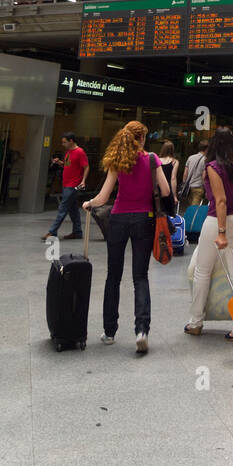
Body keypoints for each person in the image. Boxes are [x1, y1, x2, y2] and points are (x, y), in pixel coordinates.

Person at [83, 121, 169, 354]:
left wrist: (89, 203)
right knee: (140, 276)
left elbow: (103, 197)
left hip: (118, 219)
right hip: (145, 219)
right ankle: (141, 330)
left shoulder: (118, 161)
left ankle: (109, 332)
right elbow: (166, 190)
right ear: (142, 138)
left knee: (113, 276)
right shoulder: (152, 160)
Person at [185, 127, 233, 335]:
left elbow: (220, 200)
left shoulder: (213, 166)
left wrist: (221, 231)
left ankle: (195, 322)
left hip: (217, 221)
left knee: (203, 270)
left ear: (213, 145)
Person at [44, 133, 88, 241]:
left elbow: (86, 166)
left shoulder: (80, 152)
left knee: (63, 208)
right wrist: (60, 162)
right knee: (73, 209)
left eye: (64, 142)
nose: (63, 144)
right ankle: (77, 232)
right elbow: (68, 165)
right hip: (66, 183)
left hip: (74, 185)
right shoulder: (68, 151)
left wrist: (83, 181)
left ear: (71, 141)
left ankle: (52, 231)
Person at [183, 139, 209, 206]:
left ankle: (189, 216)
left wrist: (184, 184)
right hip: (198, 187)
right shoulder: (206, 160)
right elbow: (204, 176)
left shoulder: (190, 158)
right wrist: (206, 188)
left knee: (190, 207)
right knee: (194, 209)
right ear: (206, 149)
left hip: (189, 187)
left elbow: (185, 173)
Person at [158, 141, 180, 219]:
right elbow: (173, 179)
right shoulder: (174, 162)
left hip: (158, 190)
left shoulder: (157, 161)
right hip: (168, 190)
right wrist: (174, 196)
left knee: (157, 213)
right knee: (169, 215)